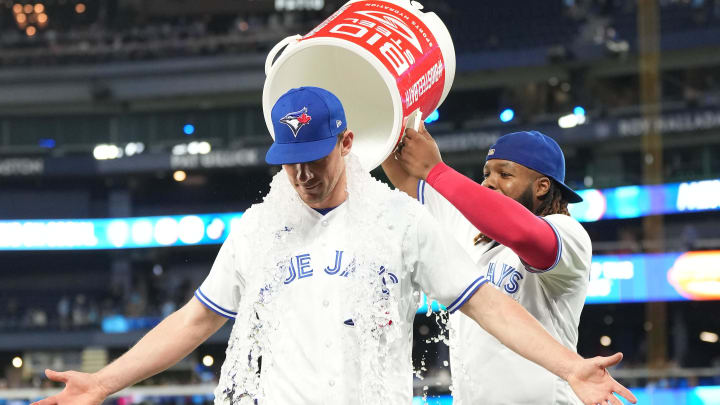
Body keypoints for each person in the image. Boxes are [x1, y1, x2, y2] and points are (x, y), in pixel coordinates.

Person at [33, 87, 635, 405]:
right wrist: (103, 382)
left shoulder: (398, 221)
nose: (303, 175)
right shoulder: (258, 226)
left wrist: (570, 366)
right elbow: (194, 319)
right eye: (289, 163)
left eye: (315, 158)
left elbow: (484, 303)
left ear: (346, 142)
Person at [383, 125, 596, 404]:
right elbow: (405, 171)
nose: (489, 182)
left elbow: (521, 232)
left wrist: (437, 171)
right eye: (486, 174)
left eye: (505, 174)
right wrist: (399, 117)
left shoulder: (568, 233)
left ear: (542, 186)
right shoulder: (469, 231)